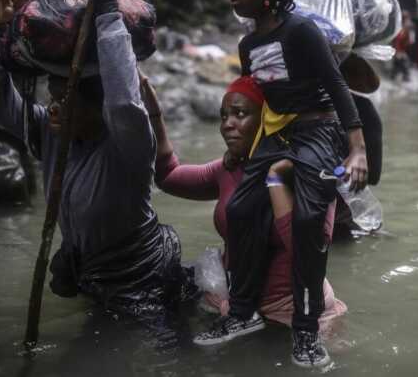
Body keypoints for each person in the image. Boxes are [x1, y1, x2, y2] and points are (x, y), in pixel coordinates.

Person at [0, 0, 191, 324]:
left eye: (67, 98)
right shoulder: (50, 132)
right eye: (53, 95)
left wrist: (107, 9)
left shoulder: (128, 146)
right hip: (91, 272)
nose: (55, 105)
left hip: (143, 278)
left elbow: (125, 102)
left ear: (99, 106)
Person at [193, 0, 368, 368]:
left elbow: (337, 84)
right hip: (280, 134)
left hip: (320, 131)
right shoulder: (248, 44)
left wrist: (357, 147)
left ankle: (306, 332)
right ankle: (242, 312)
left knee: (309, 221)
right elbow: (259, 102)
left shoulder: (301, 31)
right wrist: (240, 147)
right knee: (239, 209)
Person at [140, 75, 347, 330]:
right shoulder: (229, 168)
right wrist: (154, 115)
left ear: (267, 120)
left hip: (292, 313)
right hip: (236, 307)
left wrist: (276, 180)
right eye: (224, 116)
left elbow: (309, 249)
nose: (228, 124)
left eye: (239, 114)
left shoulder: (306, 169)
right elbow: (168, 177)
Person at [391, 10, 414, 82]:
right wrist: (397, 51)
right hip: (398, 51)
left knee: (402, 64)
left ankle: (403, 76)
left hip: (402, 50)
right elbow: (396, 40)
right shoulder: (399, 28)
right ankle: (398, 76)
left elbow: (409, 41)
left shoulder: (406, 29)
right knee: (401, 63)